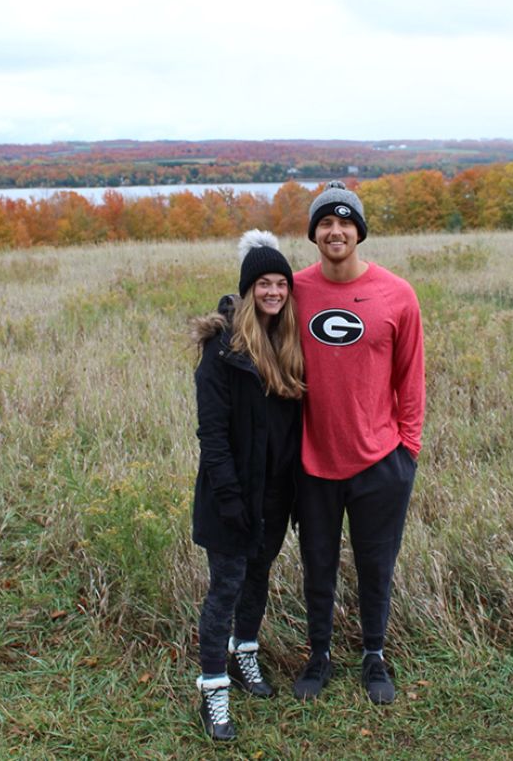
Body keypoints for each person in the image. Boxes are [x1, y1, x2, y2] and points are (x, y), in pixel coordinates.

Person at [290, 180, 425, 705]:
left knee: (376, 564)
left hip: (380, 463)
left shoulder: (398, 294)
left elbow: (410, 380)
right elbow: (254, 325)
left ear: (359, 231)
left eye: (345, 222)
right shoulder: (295, 290)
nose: (335, 230)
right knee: (316, 565)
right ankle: (318, 654)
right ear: (314, 234)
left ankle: (375, 656)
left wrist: (407, 453)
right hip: (312, 462)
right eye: (325, 222)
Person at [190, 229, 304, 741]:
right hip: (230, 498)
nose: (274, 292)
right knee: (225, 589)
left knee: (257, 580)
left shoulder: (289, 343)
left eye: (281, 282)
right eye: (264, 283)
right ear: (248, 287)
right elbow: (211, 435)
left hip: (275, 495)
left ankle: (246, 656)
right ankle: (214, 690)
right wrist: (231, 499)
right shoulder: (223, 350)